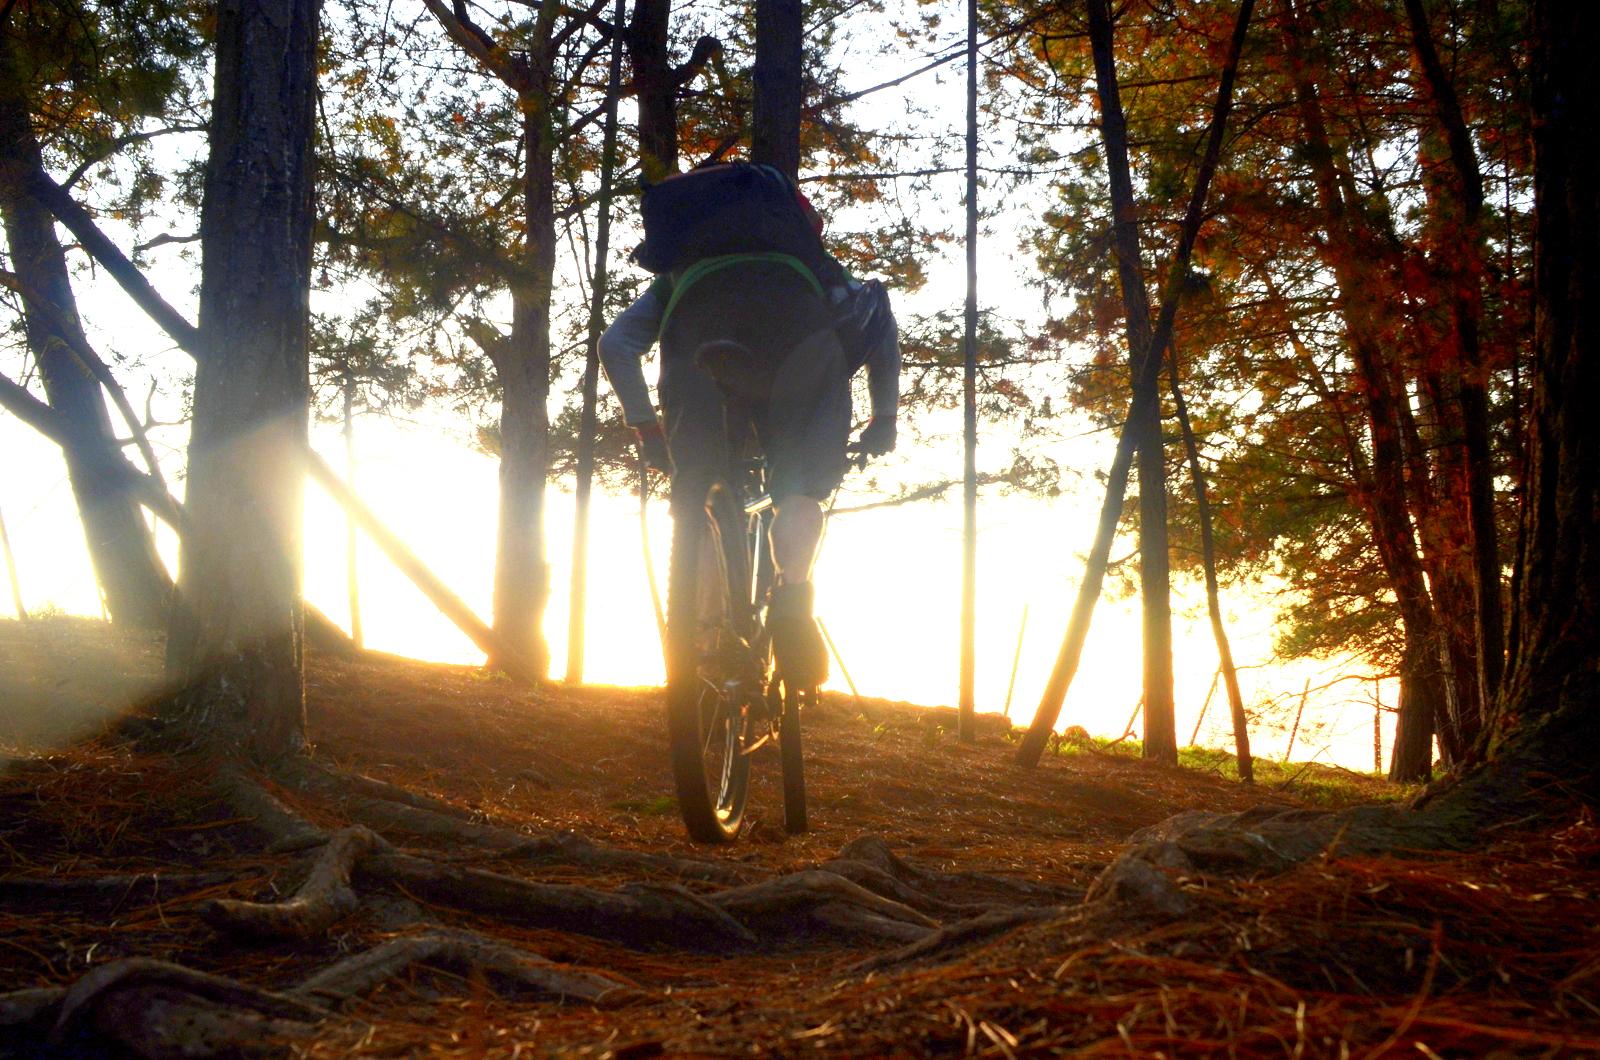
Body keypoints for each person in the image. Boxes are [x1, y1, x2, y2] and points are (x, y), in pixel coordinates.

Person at [600, 235, 899, 688]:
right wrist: (884, 416)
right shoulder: (809, 260)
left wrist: (646, 427)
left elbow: (615, 345)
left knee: (699, 490)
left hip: (697, 351)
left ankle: (701, 649)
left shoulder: (681, 270)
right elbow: (878, 319)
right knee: (799, 489)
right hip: (800, 349)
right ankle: (792, 600)